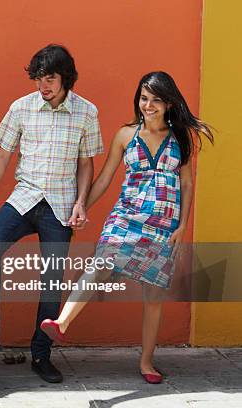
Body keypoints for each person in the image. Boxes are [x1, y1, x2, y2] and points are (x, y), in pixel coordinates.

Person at [40, 71, 214, 384]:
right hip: (126, 217)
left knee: (154, 297)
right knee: (100, 264)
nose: (148, 105)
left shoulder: (181, 137)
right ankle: (62, 323)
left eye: (155, 100)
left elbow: (187, 183)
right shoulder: (125, 134)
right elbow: (105, 177)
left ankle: (147, 362)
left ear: (169, 103)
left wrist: (183, 225)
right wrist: (81, 206)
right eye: (144, 98)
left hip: (164, 225)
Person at [0, 44, 104, 384]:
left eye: (49, 79)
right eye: (39, 79)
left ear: (66, 78)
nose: (43, 86)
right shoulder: (21, 107)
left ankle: (41, 354)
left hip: (61, 204)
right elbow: (4, 154)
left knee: (52, 280)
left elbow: (86, 163)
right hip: (23, 198)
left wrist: (82, 202)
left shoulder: (87, 112)